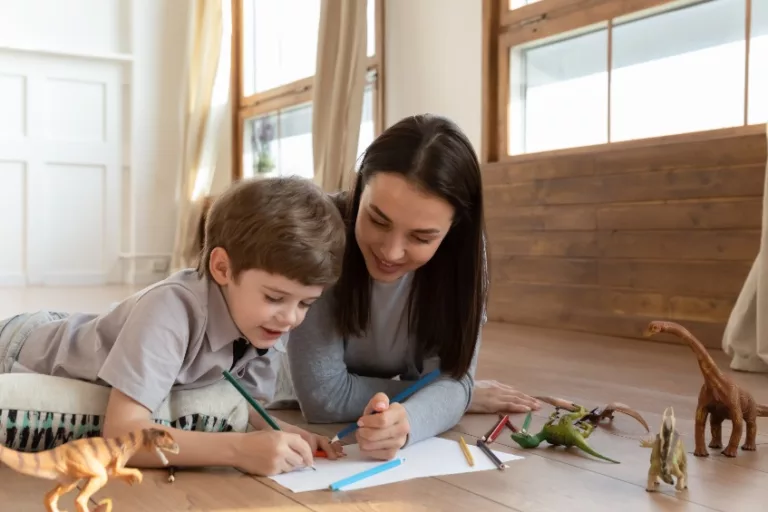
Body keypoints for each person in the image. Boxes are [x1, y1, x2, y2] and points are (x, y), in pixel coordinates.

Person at [0, 176, 347, 475]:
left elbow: (243, 409)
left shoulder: (267, 325)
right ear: (223, 268)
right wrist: (239, 450)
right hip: (22, 343)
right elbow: (122, 437)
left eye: (305, 304)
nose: (290, 318)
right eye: (274, 298)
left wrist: (288, 433)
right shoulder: (170, 310)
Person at [281, 114, 540, 461]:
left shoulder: (463, 259)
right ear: (359, 190)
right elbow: (323, 397)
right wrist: (452, 397)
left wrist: (412, 419)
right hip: (276, 402)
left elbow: (453, 378)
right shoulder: (322, 234)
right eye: (376, 220)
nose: (390, 252)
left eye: (421, 237)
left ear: (452, 230)